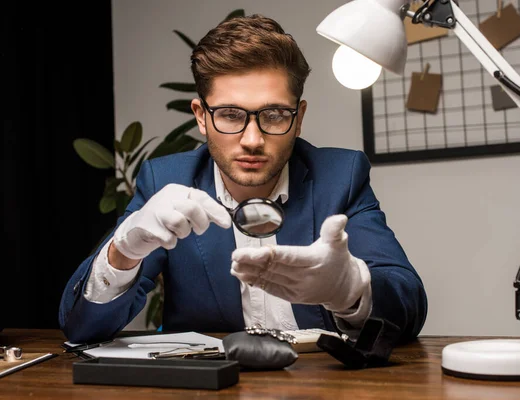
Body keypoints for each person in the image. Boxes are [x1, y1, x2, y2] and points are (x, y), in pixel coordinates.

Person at [59, 14, 427, 344]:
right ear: (201, 116)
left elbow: (407, 303)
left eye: (274, 114)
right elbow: (80, 328)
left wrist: (351, 289)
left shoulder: (340, 177)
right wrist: (123, 250)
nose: (252, 140)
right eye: (231, 115)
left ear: (298, 119)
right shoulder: (165, 181)